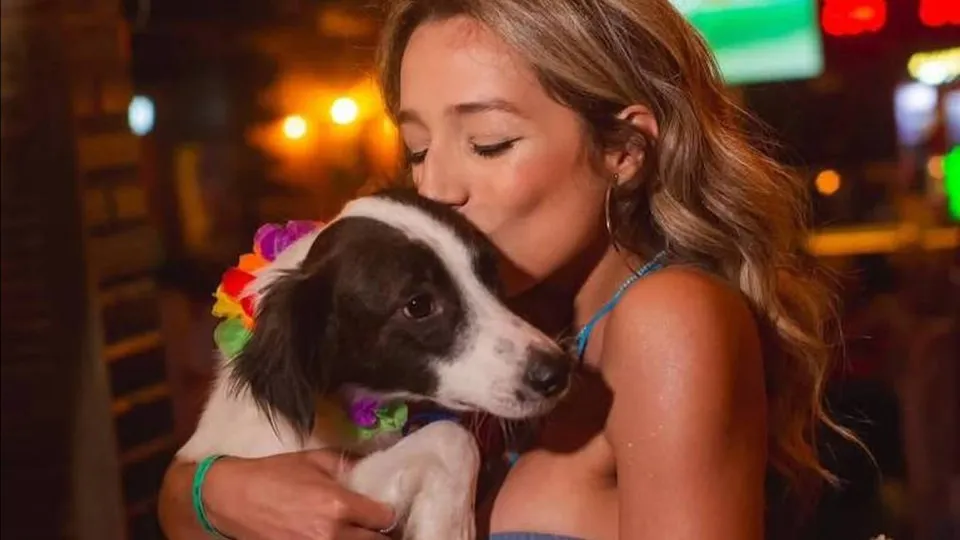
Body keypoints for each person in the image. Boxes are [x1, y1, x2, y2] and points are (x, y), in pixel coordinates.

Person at [158, 1, 847, 538]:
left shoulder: (668, 320)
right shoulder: (497, 320)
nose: (436, 188)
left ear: (623, 149)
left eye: (488, 143)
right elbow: (196, 495)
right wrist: (209, 492)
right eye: (418, 148)